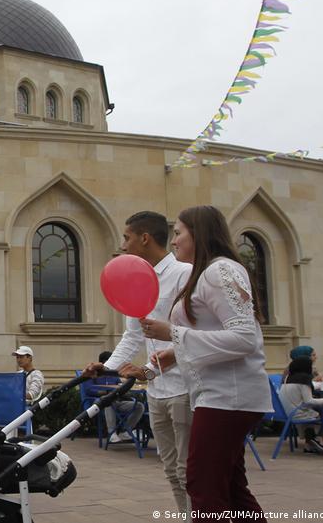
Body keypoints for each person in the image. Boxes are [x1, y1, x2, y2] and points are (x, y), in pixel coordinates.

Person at [142, 205, 272, 523]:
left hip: (229, 397)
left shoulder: (219, 271)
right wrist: (173, 353)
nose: (174, 241)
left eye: (179, 233)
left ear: (198, 234)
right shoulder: (210, 273)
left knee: (203, 486)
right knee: (230, 489)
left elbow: (244, 339)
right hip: (220, 397)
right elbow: (215, 334)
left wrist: (172, 333)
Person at [84, 210, 193, 514]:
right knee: (171, 470)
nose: (123, 244)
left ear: (144, 238)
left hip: (185, 387)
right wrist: (106, 367)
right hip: (155, 390)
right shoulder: (135, 278)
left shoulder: (184, 274)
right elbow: (132, 337)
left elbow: (192, 335)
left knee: (188, 471)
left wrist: (151, 368)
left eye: (127, 237)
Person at [279, 356, 323, 454]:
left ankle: (309, 444)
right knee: (322, 412)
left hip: (287, 412)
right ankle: (318, 439)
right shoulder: (304, 379)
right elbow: (309, 401)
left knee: (315, 409)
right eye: (311, 365)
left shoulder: (288, 378)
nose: (312, 368)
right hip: (297, 413)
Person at [93, 351, 144, 444]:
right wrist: (106, 392)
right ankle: (112, 433)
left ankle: (125, 431)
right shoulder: (94, 374)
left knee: (139, 406)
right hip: (100, 403)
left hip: (118, 401)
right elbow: (89, 390)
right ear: (103, 362)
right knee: (107, 400)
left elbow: (120, 388)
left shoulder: (114, 375)